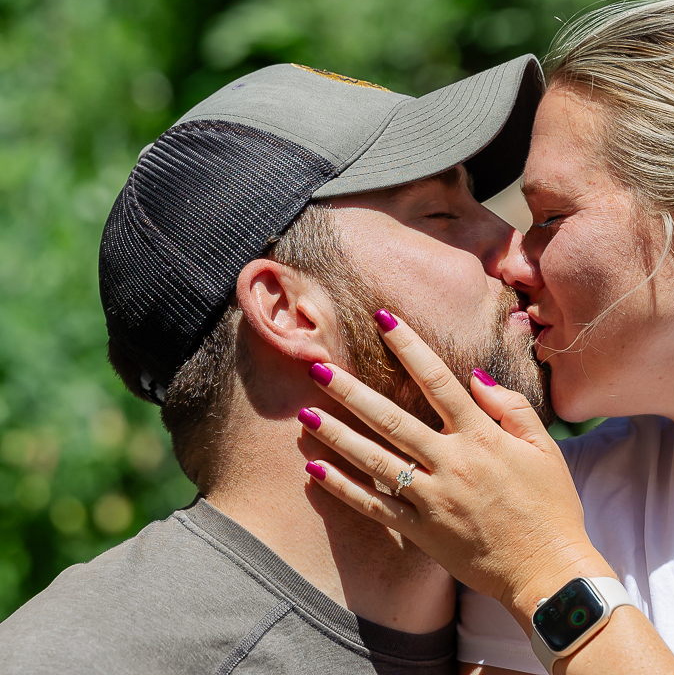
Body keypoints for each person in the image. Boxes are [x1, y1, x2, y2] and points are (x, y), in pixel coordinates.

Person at [299, 0, 674, 675]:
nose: (510, 258)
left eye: (551, 217)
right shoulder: (544, 505)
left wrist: (546, 574)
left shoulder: (530, 535)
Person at [0, 55, 548, 674]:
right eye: (441, 213)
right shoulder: (85, 661)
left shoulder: (582, 567)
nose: (522, 254)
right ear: (288, 309)